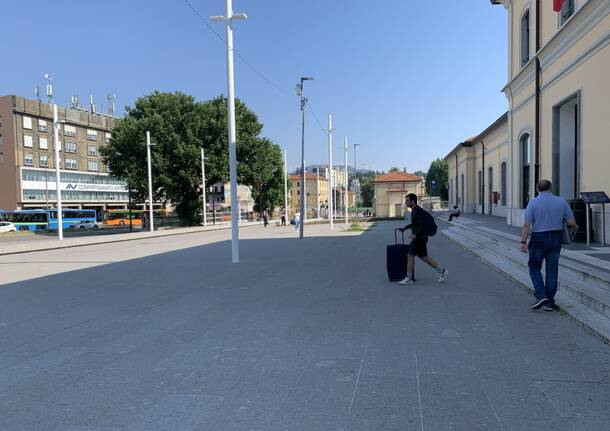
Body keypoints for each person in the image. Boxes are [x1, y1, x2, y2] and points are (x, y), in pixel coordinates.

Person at [520, 180, 577, 311]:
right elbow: (571, 221)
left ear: (537, 189)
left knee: (534, 267)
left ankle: (541, 295)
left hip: (538, 237)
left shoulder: (533, 202)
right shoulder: (561, 201)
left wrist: (523, 242)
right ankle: (549, 302)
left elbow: (526, 225)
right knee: (552, 269)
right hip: (556, 237)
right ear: (551, 187)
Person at [397, 193, 448, 285]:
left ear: (413, 201)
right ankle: (442, 271)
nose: (406, 202)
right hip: (422, 237)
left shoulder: (418, 211)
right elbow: (415, 224)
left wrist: (415, 234)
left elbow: (423, 224)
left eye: (407, 201)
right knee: (424, 257)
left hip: (419, 238)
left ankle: (408, 278)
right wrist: (405, 228)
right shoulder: (415, 210)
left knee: (410, 256)